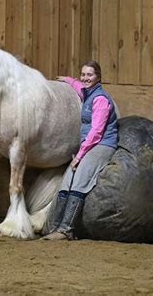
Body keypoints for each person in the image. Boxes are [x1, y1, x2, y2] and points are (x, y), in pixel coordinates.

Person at [42, 61, 118, 240]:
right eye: (83, 74)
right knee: (67, 180)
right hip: (88, 145)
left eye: (89, 75)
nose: (85, 78)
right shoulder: (86, 93)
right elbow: (78, 85)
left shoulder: (100, 100)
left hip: (102, 144)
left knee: (79, 181)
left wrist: (79, 156)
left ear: (98, 77)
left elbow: (96, 132)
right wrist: (68, 79)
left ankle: (66, 230)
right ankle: (53, 227)